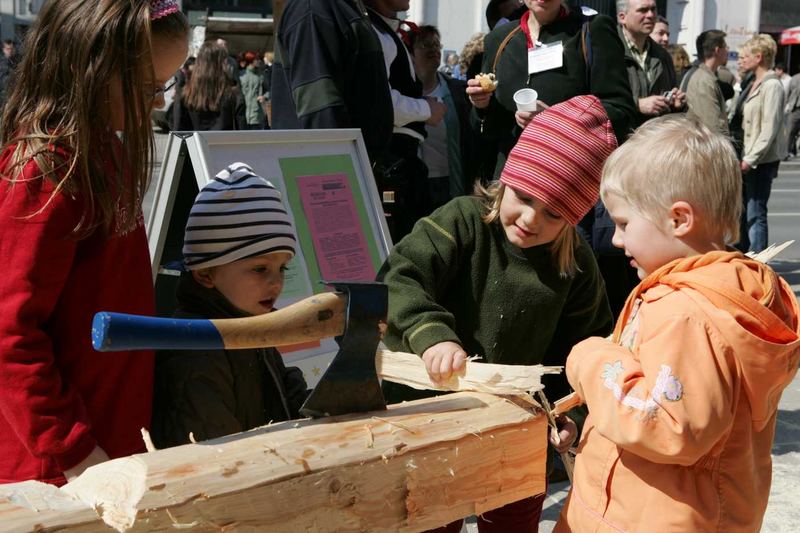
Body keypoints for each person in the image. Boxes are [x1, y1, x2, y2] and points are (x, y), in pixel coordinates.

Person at [379, 96, 615, 531]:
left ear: (573, 217)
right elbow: (399, 277)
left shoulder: (575, 265)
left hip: (514, 432)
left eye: (553, 213)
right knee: (430, 521)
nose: (530, 219)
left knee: (512, 523)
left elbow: (593, 349)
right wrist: (433, 334)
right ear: (507, 179)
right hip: (432, 420)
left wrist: (574, 414)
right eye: (524, 197)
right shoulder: (461, 221)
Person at [554, 114, 799, 532]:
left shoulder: (687, 313)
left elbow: (666, 424)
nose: (615, 239)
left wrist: (590, 359)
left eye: (625, 223)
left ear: (680, 219)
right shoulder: (722, 292)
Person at [0, 0, 188, 485]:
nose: (160, 103)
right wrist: (76, 450)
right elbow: (9, 334)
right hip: (55, 471)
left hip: (103, 448)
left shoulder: (104, 151)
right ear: (91, 71)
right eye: (150, 88)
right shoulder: (46, 173)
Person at [151, 163, 308, 448]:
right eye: (260, 269)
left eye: (283, 268)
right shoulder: (194, 353)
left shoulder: (251, 322)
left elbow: (283, 396)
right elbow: (216, 451)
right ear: (205, 273)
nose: (276, 283)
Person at [271, 0, 393, 163]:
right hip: (328, 170)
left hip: (351, 167)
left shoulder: (341, 7)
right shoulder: (313, 8)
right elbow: (320, 111)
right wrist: (338, 171)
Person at [410, 25, 476, 209]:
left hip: (449, 181)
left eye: (436, 44)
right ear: (411, 54)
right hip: (413, 183)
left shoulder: (456, 91)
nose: (433, 49)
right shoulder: (402, 94)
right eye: (424, 44)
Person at [738, 34, 787, 253]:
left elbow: (769, 128)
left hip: (760, 160)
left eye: (746, 56)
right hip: (749, 157)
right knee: (747, 213)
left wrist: (750, 159)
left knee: (756, 213)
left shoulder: (772, 85)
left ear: (758, 57)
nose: (742, 60)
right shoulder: (752, 82)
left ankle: (760, 263)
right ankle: (748, 257)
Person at [616, 0, 685, 126]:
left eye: (653, 9)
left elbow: (669, 110)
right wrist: (637, 105)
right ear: (622, 17)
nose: (650, 15)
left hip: (652, 140)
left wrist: (675, 104)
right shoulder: (607, 50)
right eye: (643, 10)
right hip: (618, 141)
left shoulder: (663, 56)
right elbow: (593, 102)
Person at [172, 41, 245, 131]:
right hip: (223, 144)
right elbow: (242, 135)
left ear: (198, 64)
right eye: (225, 62)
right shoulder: (234, 95)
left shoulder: (184, 94)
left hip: (194, 144)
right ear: (222, 65)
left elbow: (178, 132)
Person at [680, 29, 730, 136]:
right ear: (717, 50)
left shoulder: (704, 76)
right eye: (725, 47)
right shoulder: (703, 80)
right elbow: (712, 127)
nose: (727, 51)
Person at [239, 51, 267, 130]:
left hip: (256, 113)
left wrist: (264, 97)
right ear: (251, 60)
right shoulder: (241, 75)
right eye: (257, 59)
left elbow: (269, 90)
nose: (259, 61)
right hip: (243, 113)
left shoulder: (261, 75)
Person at [785, 70, 800, 159]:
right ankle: (787, 152)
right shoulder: (794, 78)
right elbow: (788, 92)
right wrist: (787, 104)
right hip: (794, 108)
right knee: (790, 131)